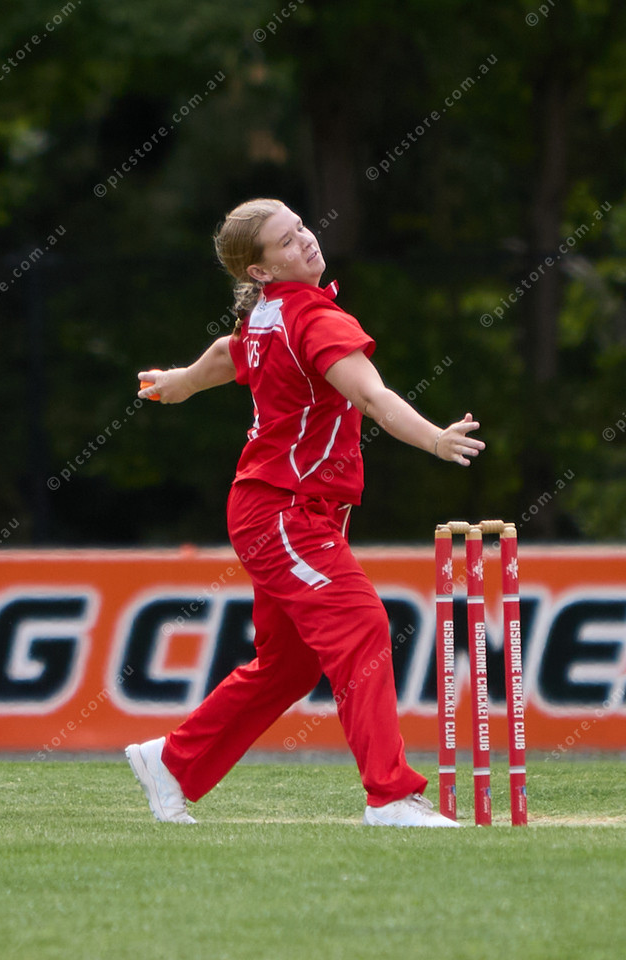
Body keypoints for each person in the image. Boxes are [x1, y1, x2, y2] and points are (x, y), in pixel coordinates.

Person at [126, 198, 485, 827]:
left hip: (278, 510)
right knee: (362, 625)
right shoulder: (312, 317)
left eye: (301, 228)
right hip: (285, 513)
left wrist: (183, 379)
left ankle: (172, 762)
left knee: (288, 666)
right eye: (288, 241)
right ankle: (391, 797)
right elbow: (371, 397)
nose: (307, 240)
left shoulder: (272, 312)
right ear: (261, 271)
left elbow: (228, 352)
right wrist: (434, 439)